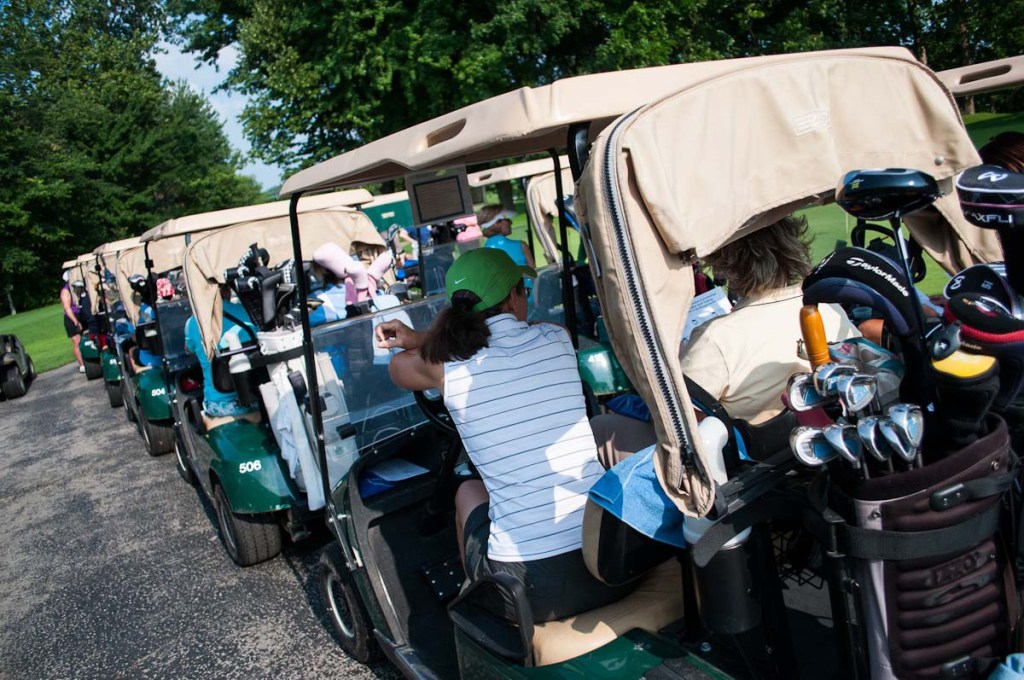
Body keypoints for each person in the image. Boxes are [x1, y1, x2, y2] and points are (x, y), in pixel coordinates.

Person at [375, 248, 633, 623]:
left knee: (466, 490)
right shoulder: (556, 337)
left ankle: (481, 607)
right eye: (524, 289)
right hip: (612, 561)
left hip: (531, 591)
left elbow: (398, 368)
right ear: (513, 298)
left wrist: (420, 337)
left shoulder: (442, 365)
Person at [591, 215, 860, 467]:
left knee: (601, 428)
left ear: (729, 264)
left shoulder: (716, 337)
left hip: (745, 463)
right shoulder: (826, 309)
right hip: (809, 443)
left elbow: (678, 422)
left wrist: (678, 357)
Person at [183, 284, 259, 419]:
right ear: (225, 291)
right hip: (258, 397)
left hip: (220, 405)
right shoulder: (246, 311)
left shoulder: (193, 323)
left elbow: (189, 350)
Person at [478, 204, 536, 269]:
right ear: (497, 224)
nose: (511, 222)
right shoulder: (520, 246)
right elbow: (533, 274)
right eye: (507, 220)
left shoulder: (483, 255)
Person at [60, 272, 85, 373]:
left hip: (80, 314)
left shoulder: (77, 287)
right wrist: (75, 321)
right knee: (77, 341)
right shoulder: (65, 291)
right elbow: (67, 308)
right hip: (71, 317)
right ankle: (81, 364)